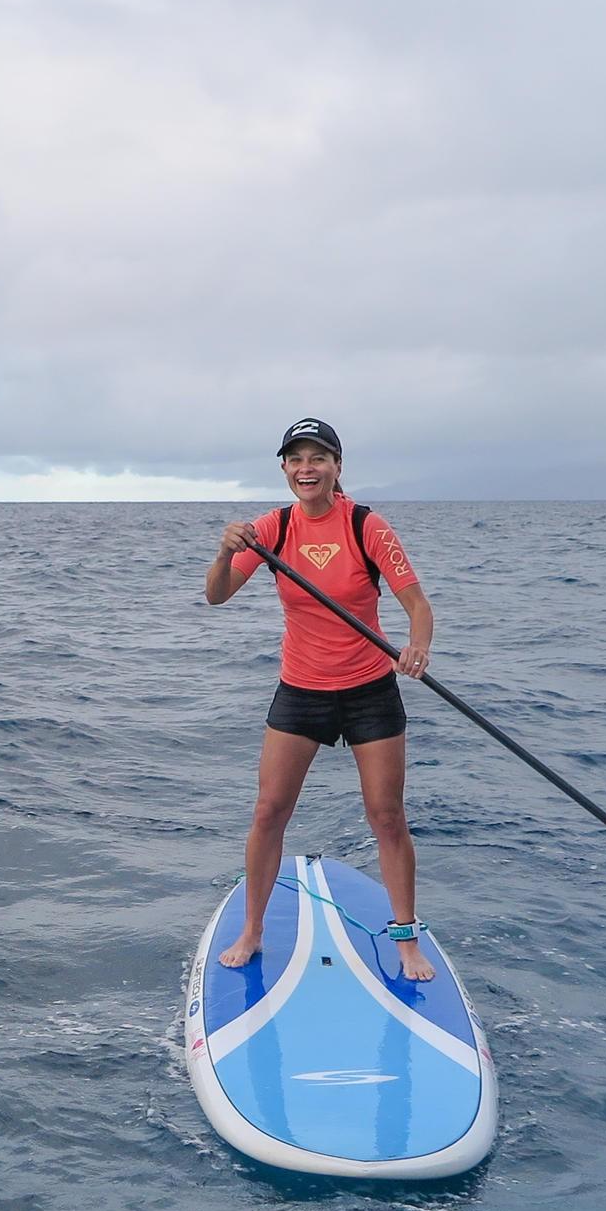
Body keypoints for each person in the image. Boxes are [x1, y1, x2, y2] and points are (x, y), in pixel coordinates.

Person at [204, 417, 437, 979]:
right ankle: (253, 930)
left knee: (387, 816)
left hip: (369, 690)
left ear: (336, 466)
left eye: (317, 458)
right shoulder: (273, 528)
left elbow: (418, 606)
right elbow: (217, 596)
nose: (306, 469)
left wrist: (417, 647)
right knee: (269, 811)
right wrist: (224, 552)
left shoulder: (366, 526)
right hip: (301, 690)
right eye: (296, 459)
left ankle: (406, 940)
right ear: (285, 469)